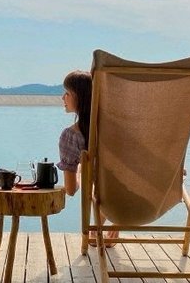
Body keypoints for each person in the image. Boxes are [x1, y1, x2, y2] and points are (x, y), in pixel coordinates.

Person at [57, 69, 118, 247]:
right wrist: (118, 221)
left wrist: (79, 172)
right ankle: (103, 224)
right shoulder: (118, 131)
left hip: (107, 200)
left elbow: (70, 190)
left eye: (67, 93)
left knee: (90, 175)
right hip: (137, 200)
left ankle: (97, 227)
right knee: (105, 177)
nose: (63, 97)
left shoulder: (71, 136)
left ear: (80, 98)